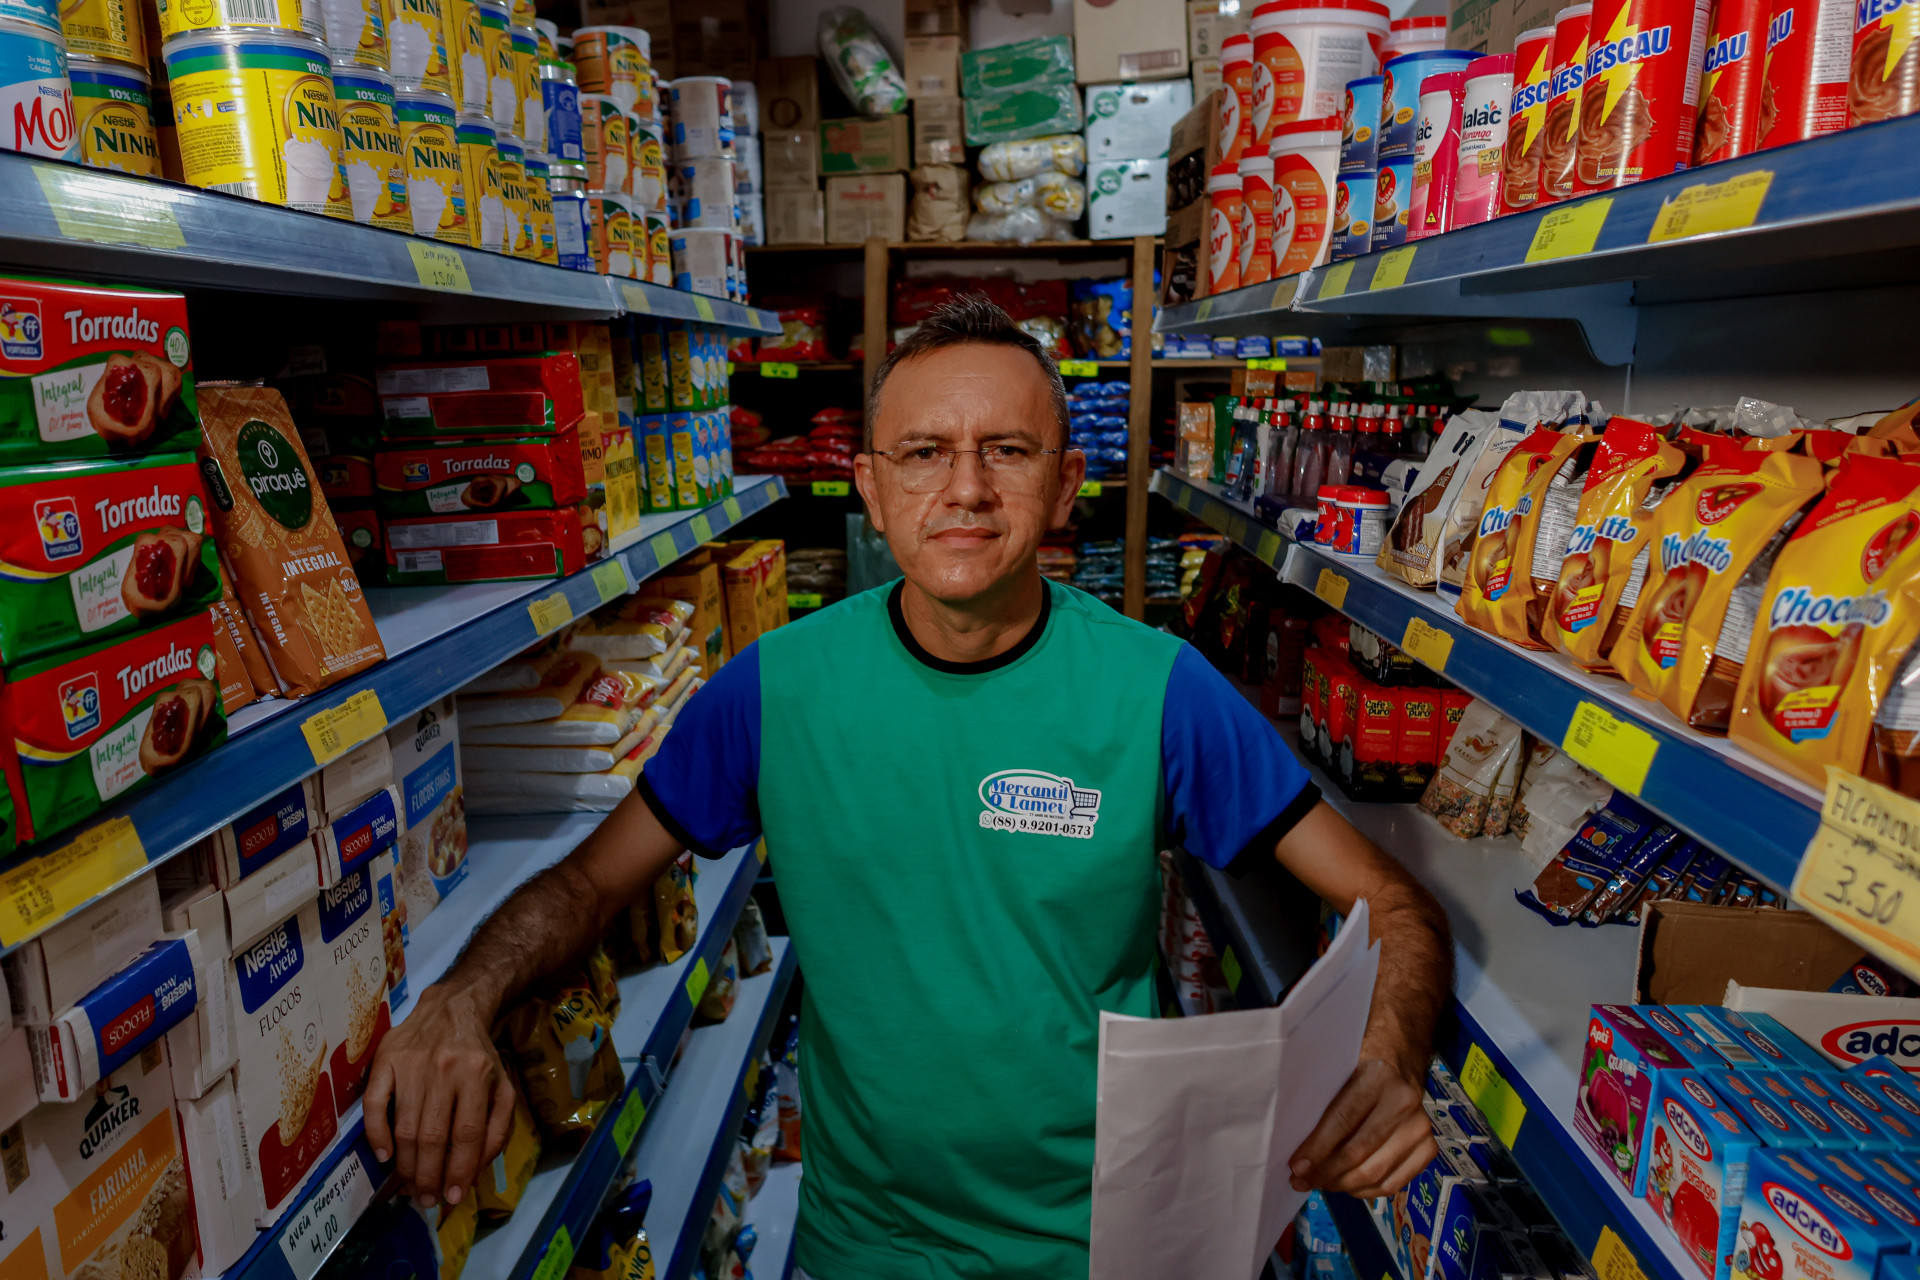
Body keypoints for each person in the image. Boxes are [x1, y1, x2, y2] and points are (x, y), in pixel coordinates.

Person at [365, 296, 1453, 1280]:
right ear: (872, 489)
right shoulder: (775, 690)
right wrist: (462, 995)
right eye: (925, 452)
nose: (967, 488)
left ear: (1068, 486)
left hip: (1121, 1237)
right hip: (867, 1245)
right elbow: (590, 888)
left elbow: (1394, 903)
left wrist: (1387, 1053)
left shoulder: (1158, 689)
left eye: (1009, 451)